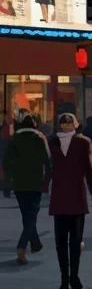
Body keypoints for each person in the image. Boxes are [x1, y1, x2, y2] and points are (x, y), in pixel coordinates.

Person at [46, 113, 92, 289]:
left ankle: (66, 278)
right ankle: (72, 277)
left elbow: (48, 167)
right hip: (74, 195)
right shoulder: (82, 142)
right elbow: (89, 168)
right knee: (74, 240)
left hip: (62, 195)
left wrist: (44, 186)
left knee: (63, 241)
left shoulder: (53, 141)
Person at [4, 114, 50, 265]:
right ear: (35, 126)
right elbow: (46, 159)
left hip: (19, 182)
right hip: (35, 181)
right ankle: (22, 246)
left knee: (26, 214)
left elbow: (6, 161)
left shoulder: (14, 139)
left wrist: (10, 177)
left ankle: (35, 244)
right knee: (32, 213)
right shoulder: (38, 138)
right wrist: (48, 176)